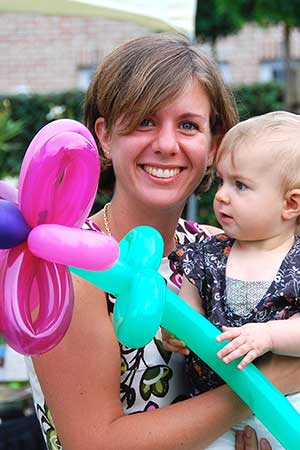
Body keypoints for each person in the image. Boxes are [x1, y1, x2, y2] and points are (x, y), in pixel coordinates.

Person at [24, 33, 299, 450]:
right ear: (106, 136)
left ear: (214, 146)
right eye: (144, 122)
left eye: (188, 125)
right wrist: (265, 386)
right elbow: (94, 444)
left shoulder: (219, 249)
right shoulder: (73, 266)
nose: (167, 145)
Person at [166, 111, 300, 449]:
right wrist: (177, 332)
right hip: (214, 412)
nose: (222, 195)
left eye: (240, 185)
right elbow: (188, 308)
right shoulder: (207, 253)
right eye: (222, 181)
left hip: (288, 407)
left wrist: (269, 334)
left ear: (291, 203)